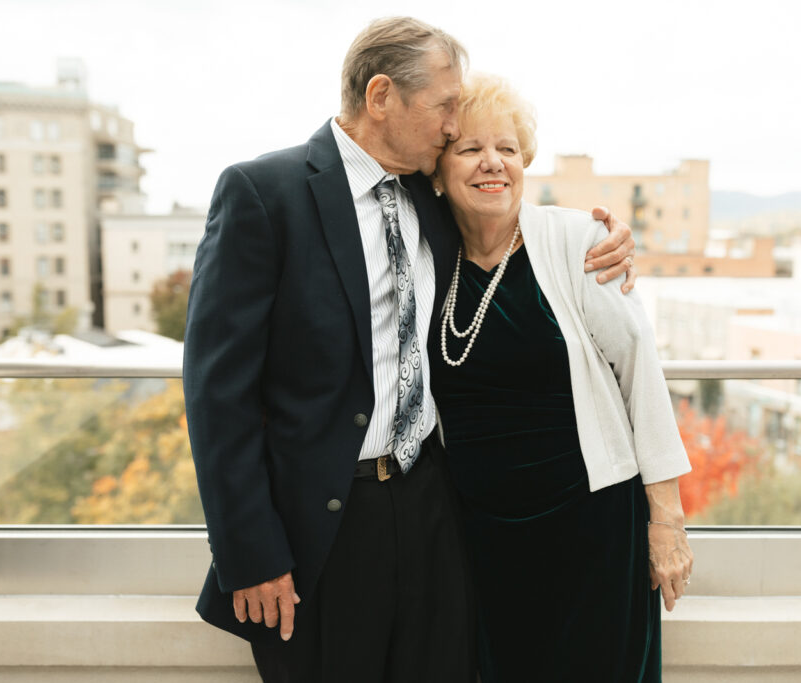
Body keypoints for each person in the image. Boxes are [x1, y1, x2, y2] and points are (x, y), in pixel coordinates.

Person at [182, 17, 636, 683]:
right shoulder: (263, 194)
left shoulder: (432, 195)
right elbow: (216, 392)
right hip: (322, 533)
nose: (455, 127)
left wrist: (601, 238)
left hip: (432, 509)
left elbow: (506, 220)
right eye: (446, 106)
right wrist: (250, 552)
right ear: (381, 97)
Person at [428, 73, 694, 683]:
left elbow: (639, 373)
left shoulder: (578, 241)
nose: (493, 163)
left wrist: (666, 521)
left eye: (508, 149)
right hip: (479, 538)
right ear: (437, 170)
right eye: (470, 149)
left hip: (591, 528)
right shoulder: (425, 257)